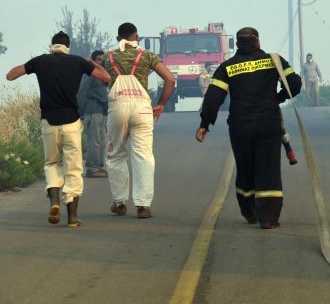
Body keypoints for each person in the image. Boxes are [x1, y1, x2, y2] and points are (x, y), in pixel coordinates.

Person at [196, 27, 301, 229]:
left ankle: (250, 212)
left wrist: (205, 124)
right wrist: (277, 99)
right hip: (269, 123)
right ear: (258, 42)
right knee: (268, 168)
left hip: (240, 126)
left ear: (237, 44)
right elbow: (295, 83)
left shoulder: (227, 66)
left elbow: (213, 98)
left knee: (245, 167)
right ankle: (268, 218)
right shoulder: (274, 61)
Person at [5, 31, 111, 227]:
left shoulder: (40, 61)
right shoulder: (78, 62)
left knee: (52, 163)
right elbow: (106, 77)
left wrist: (32, 65)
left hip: (49, 122)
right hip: (71, 122)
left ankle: (54, 202)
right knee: (74, 168)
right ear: (67, 46)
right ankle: (72, 218)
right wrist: (91, 62)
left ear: (51, 46)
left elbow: (10, 75)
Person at [102, 23, 175, 219]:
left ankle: (119, 203)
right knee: (143, 155)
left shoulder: (108, 57)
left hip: (117, 106)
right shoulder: (147, 55)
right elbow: (170, 79)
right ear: (138, 37)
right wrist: (160, 104)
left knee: (116, 154)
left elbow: (102, 80)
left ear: (118, 38)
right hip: (142, 107)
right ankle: (143, 206)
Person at [77, 50, 109, 178]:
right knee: (94, 141)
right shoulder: (91, 75)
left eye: (103, 59)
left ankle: (100, 167)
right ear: (93, 61)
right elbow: (82, 92)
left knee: (103, 141)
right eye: (99, 60)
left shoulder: (104, 76)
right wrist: (79, 112)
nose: (102, 62)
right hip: (93, 109)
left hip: (101, 111)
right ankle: (92, 168)